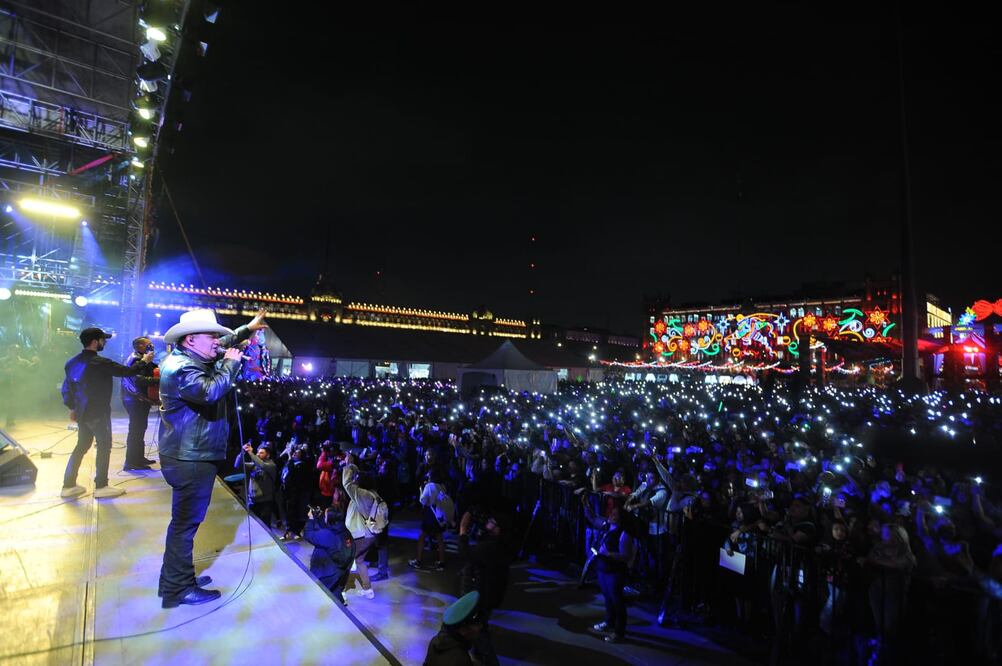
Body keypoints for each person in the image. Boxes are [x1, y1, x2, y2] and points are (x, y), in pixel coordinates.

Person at [156, 307, 268, 609]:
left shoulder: (189, 357)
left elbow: (223, 343)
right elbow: (209, 391)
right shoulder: (183, 368)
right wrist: (230, 364)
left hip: (187, 454)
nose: (218, 341)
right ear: (191, 339)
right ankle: (178, 589)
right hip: (190, 459)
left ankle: (174, 580)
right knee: (185, 525)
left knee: (183, 523)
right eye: (211, 336)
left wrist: (248, 329)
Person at [60, 327, 154, 499]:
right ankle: (101, 486)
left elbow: (67, 388)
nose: (105, 343)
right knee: (104, 446)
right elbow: (127, 372)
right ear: (95, 342)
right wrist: (144, 361)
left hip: (82, 412)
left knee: (82, 446)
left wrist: (72, 408)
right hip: (98, 412)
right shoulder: (99, 362)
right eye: (103, 340)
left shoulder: (71, 363)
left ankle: (68, 485)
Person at [584, 501, 636, 643]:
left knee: (617, 601)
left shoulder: (624, 534)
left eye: (614, 514)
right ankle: (609, 622)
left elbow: (626, 556)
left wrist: (609, 554)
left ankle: (619, 632)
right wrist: (586, 504)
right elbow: (593, 519)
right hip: (603, 568)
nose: (611, 515)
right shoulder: (606, 525)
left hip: (615, 571)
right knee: (607, 597)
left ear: (620, 518)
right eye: (611, 513)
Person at [342, 460, 380, 599]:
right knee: (359, 560)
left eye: (357, 478)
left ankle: (341, 590)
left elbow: (346, 483)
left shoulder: (361, 494)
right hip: (369, 535)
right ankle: (368, 590)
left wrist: (349, 466)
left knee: (345, 560)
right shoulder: (373, 494)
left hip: (361, 536)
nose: (355, 480)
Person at [303, 505, 355, 605]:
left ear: (331, 519)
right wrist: (318, 518)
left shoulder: (327, 535)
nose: (324, 517)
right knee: (334, 591)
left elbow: (308, 534)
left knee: (317, 596)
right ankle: (340, 606)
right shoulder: (345, 532)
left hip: (325, 573)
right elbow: (325, 529)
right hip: (340, 570)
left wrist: (311, 519)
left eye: (325, 516)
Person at [121, 335, 159, 470]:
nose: (151, 347)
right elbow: (140, 380)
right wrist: (159, 380)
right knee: (136, 430)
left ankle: (139, 458)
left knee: (140, 428)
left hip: (138, 399)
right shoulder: (136, 360)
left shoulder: (141, 358)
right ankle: (132, 462)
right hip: (135, 399)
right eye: (148, 345)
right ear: (140, 346)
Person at [423, 590, 484, 666]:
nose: (480, 627)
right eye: (476, 624)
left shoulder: (435, 640)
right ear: (463, 630)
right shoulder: (461, 659)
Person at [239, 443, 277, 527]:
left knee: (265, 526)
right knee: (253, 526)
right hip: (253, 501)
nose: (258, 454)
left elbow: (262, 465)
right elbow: (237, 464)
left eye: (261, 453)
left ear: (268, 455)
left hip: (265, 502)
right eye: (258, 452)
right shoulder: (254, 465)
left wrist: (250, 453)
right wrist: (242, 452)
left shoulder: (271, 465)